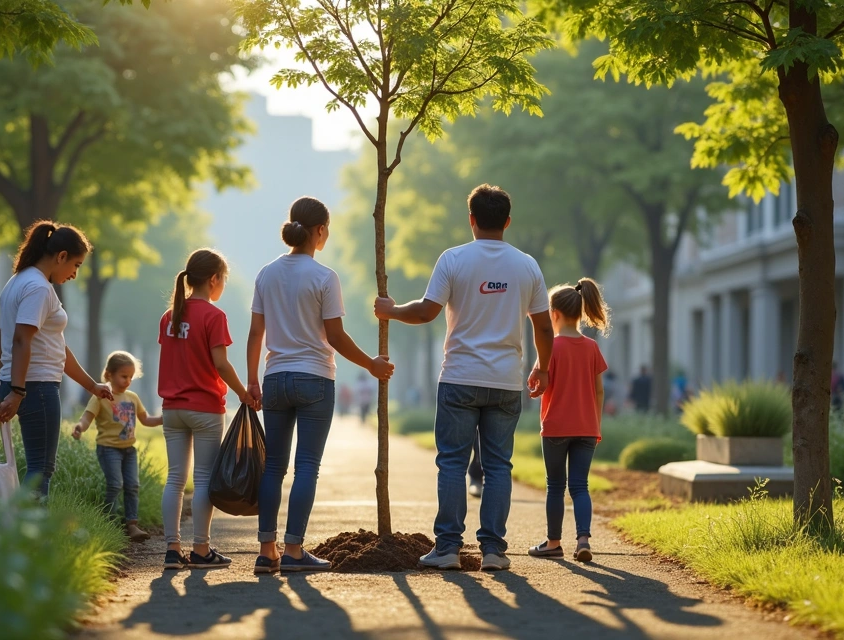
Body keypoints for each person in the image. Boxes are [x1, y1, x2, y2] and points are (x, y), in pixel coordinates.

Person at [375, 184, 553, 572]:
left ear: (471, 219)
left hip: (459, 377)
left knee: (453, 463)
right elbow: (543, 326)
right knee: (498, 466)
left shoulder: (453, 259)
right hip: (506, 380)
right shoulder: (527, 266)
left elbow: (425, 312)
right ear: (507, 221)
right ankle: (493, 551)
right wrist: (542, 365)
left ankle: (448, 549)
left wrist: (390, 310)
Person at [249, 196, 394, 574]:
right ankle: (295, 550)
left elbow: (254, 334)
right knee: (307, 466)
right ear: (319, 231)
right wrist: (372, 364)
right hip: (314, 379)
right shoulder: (324, 277)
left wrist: (252, 380)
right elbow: (336, 337)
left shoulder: (266, 273)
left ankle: (267, 551)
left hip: (275, 377)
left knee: (273, 468)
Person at [0, 220, 114, 499]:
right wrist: (18, 391)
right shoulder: (38, 288)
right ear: (61, 257)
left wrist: (91, 386)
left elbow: (42, 347)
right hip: (35, 388)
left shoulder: (17, 282)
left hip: (19, 384)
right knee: (40, 468)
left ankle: (23, 534)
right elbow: (21, 340)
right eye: (76, 265)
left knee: (37, 467)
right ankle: (31, 538)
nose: (74, 274)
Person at [158, 248, 259, 571]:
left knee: (175, 478)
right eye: (223, 279)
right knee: (203, 480)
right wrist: (244, 392)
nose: (223, 285)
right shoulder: (214, 316)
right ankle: (201, 549)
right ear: (214, 279)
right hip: (204, 408)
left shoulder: (169, 315)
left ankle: (173, 549)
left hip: (172, 408)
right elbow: (220, 364)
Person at [527, 279, 610, 564]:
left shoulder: (550, 349)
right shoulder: (592, 348)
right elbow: (599, 390)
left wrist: (536, 382)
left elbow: (538, 386)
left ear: (553, 314)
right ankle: (583, 539)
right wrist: (595, 424)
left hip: (556, 428)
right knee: (580, 486)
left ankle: (553, 543)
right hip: (587, 428)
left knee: (555, 486)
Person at [73, 351, 161, 543]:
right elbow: (87, 417)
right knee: (115, 484)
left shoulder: (132, 397)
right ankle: (109, 522)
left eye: (130, 377)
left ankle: (132, 524)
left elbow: (145, 420)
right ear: (109, 375)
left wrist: (164, 419)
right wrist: (80, 427)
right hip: (108, 449)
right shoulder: (101, 396)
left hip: (129, 450)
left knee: (132, 486)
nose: (128, 381)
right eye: (123, 376)